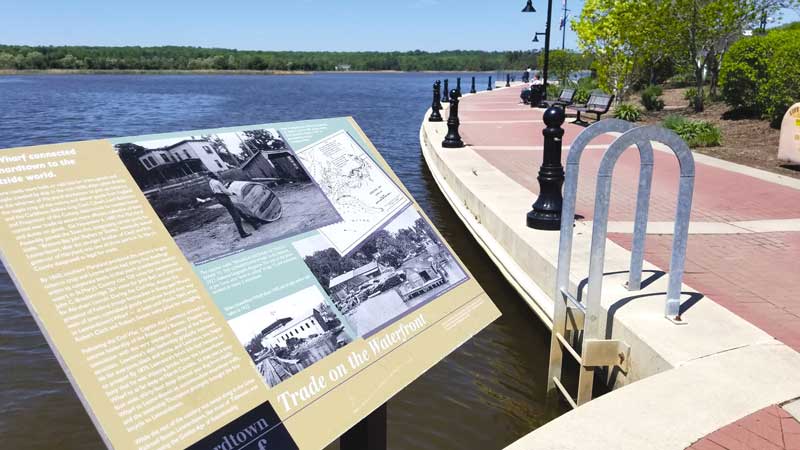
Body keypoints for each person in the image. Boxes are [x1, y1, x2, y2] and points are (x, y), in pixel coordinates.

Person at [207, 172, 260, 239]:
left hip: (219, 198)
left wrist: (224, 188)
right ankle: (242, 233)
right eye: (216, 174)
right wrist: (232, 193)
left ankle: (253, 223)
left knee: (238, 211)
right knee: (236, 216)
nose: (218, 175)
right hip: (224, 198)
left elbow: (218, 190)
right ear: (213, 175)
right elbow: (225, 192)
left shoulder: (211, 182)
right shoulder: (217, 182)